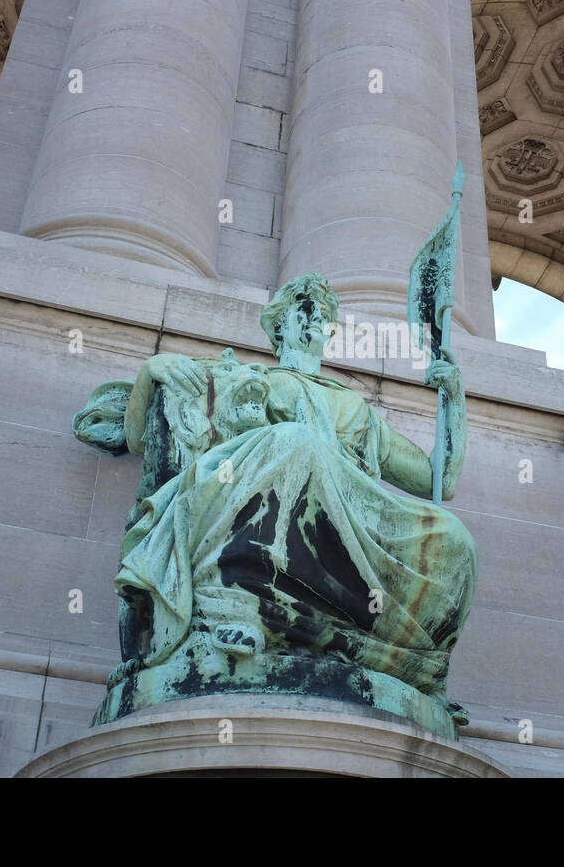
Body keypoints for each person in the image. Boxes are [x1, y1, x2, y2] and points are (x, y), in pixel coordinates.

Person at [84, 273, 477, 733]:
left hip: (351, 513)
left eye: (323, 315)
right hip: (268, 499)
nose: (314, 320)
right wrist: (153, 371)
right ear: (279, 328)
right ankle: (235, 608)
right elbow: (139, 435)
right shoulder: (246, 378)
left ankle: (409, 664)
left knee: (455, 537)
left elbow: (437, 480)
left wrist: (454, 400)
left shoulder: (353, 407)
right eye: (302, 309)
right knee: (294, 442)